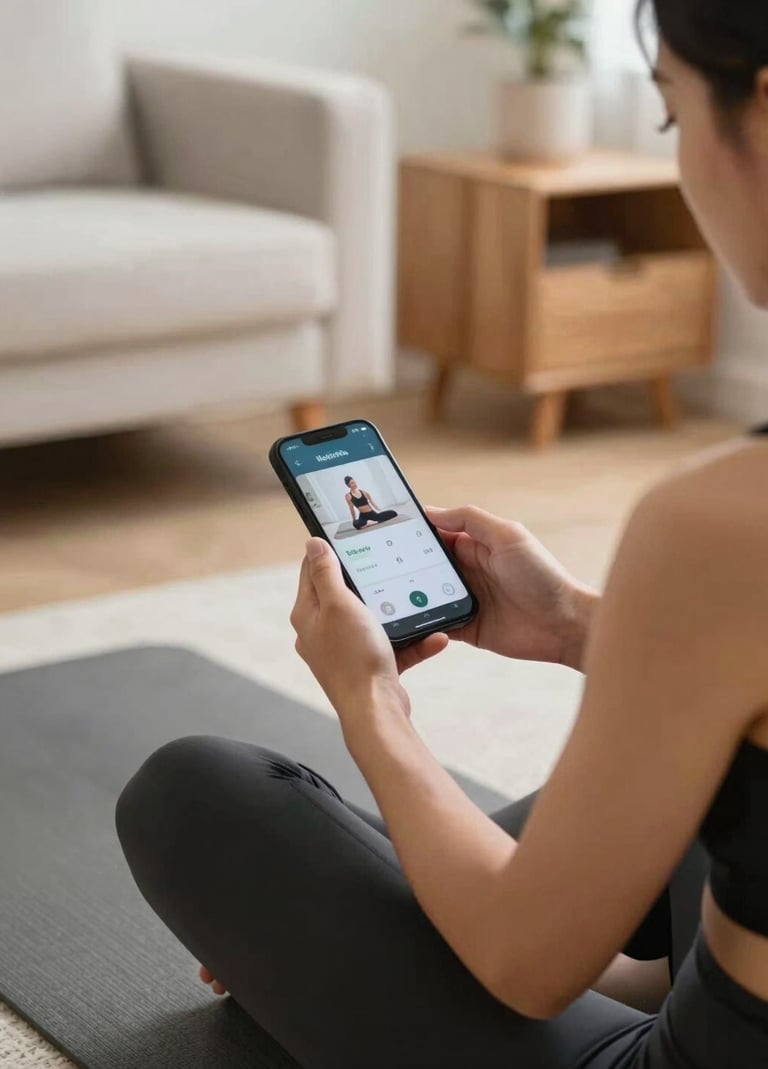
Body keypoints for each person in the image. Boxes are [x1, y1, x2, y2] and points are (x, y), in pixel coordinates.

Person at [115, 3, 768, 1066]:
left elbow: (525, 964)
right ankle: (505, 923)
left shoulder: (721, 523)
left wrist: (371, 702)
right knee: (680, 754)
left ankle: (374, 909)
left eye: (671, 116)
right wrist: (577, 626)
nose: (681, 160)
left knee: (194, 794)